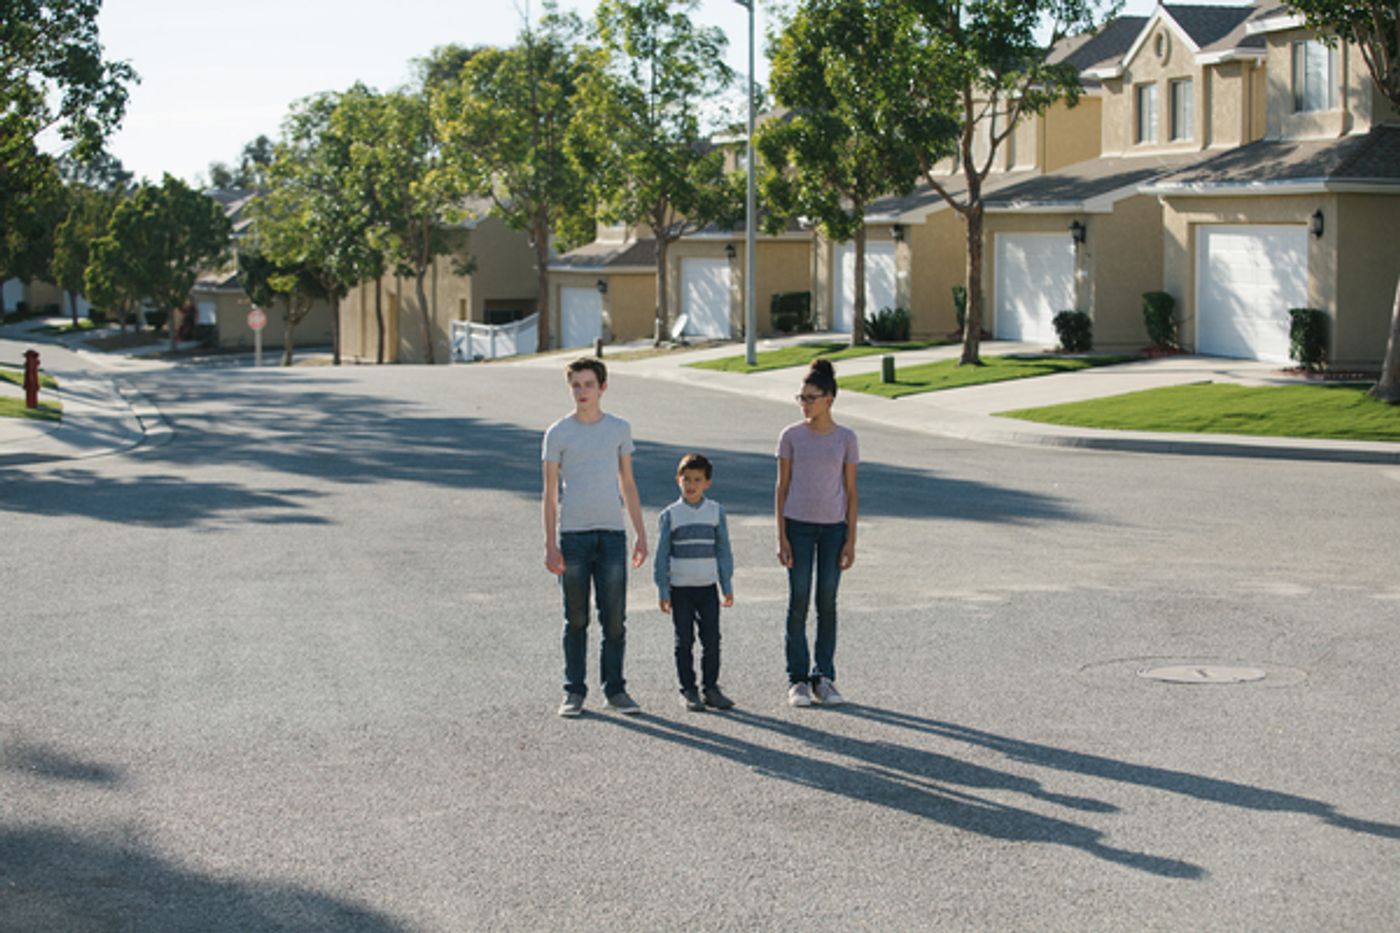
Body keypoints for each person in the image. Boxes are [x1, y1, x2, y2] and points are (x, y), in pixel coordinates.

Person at [543, 357, 648, 718]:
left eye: (588, 384)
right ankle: (573, 691)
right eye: (576, 385)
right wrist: (550, 543)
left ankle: (615, 690)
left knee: (615, 619)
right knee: (575, 618)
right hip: (573, 536)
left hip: (612, 536)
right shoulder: (558, 433)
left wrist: (640, 533)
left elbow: (628, 484)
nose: (582, 391)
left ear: (603, 387)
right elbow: (550, 492)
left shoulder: (619, 429)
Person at [775, 358, 859, 707]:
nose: (805, 404)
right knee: (798, 601)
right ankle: (797, 680)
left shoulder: (846, 438)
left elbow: (851, 492)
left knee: (827, 603)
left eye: (811, 397)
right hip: (798, 527)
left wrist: (851, 539)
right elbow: (781, 487)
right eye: (801, 398)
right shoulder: (791, 436)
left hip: (833, 530)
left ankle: (823, 676)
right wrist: (780, 535)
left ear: (830, 398)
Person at [655, 453, 736, 712]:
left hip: (707, 587)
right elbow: (661, 556)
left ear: (707, 483)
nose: (691, 485)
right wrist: (663, 589)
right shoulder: (670, 515)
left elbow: (723, 550)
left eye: (697, 480)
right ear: (678, 480)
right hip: (681, 589)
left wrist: (726, 585)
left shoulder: (715, 512)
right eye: (686, 479)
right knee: (684, 640)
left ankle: (710, 688)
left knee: (711, 639)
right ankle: (688, 689)